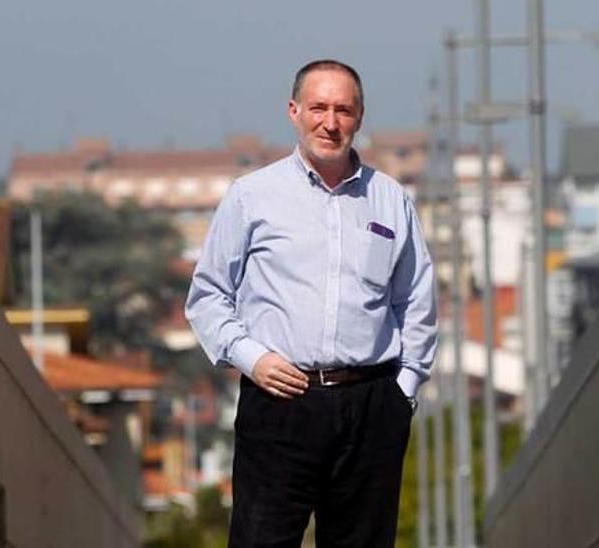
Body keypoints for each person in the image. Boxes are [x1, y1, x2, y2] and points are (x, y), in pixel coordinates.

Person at [185, 59, 437, 547]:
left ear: (360, 117)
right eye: (318, 107)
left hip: (370, 406)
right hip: (280, 402)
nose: (330, 121)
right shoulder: (251, 197)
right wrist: (252, 360)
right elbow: (208, 296)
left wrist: (401, 393)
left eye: (343, 109)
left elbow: (416, 303)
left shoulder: (390, 200)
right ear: (294, 112)